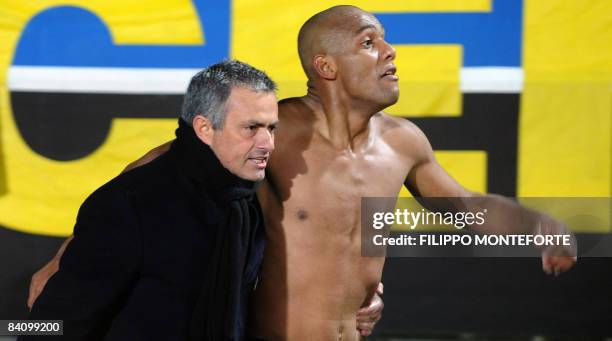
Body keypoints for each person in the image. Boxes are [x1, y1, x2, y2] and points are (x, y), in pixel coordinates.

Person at [28, 5, 575, 340]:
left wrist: (538, 225)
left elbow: (463, 208)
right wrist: (64, 260)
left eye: (384, 38)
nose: (390, 50)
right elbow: (153, 172)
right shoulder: (273, 132)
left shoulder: (405, 142)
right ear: (326, 67)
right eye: (369, 41)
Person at [22, 60, 279, 340]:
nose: (268, 144)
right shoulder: (131, 205)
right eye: (251, 128)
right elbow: (52, 324)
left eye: (271, 128)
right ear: (204, 128)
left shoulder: (245, 207)